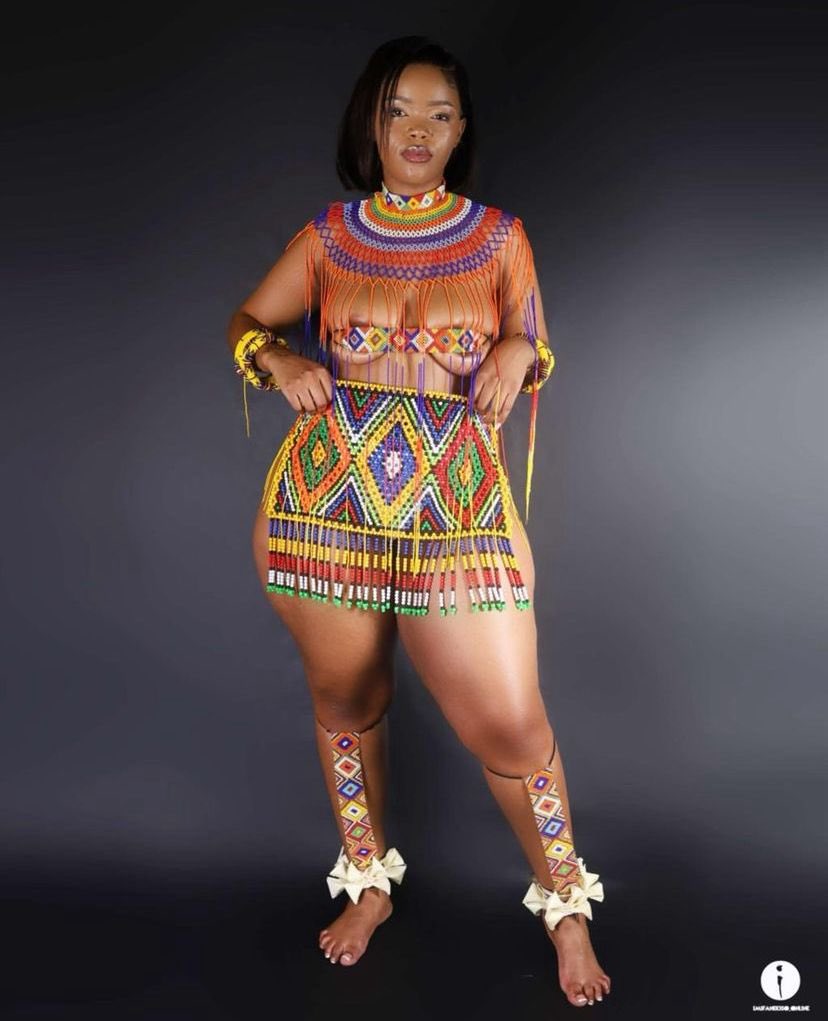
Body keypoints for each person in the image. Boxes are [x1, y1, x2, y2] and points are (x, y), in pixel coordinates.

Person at [226, 35, 611, 1009]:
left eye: (440, 114)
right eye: (401, 110)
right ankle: (367, 882)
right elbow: (248, 324)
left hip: (456, 501)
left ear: (460, 130)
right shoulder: (328, 236)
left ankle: (566, 904)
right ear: (373, 118)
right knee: (347, 694)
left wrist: (520, 350)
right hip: (329, 498)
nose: (418, 130)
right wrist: (280, 360)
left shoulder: (499, 238)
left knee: (510, 719)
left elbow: (534, 341)